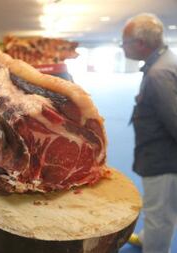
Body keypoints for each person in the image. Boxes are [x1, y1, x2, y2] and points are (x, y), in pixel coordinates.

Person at [122, 13, 177, 253]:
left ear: (141, 43)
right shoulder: (163, 61)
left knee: (159, 215)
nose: (123, 47)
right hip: (159, 152)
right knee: (159, 208)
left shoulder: (159, 75)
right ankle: (148, 237)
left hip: (162, 160)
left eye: (124, 43)